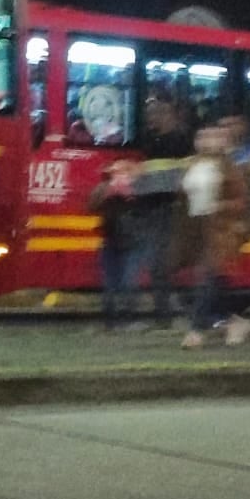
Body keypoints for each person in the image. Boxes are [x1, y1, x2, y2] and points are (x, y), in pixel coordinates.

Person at [180, 123, 250, 348]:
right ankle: (233, 322)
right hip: (197, 233)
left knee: (209, 281)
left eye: (213, 137)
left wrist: (219, 205)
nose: (206, 141)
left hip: (221, 233)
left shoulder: (230, 167)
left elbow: (242, 202)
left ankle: (196, 332)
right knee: (213, 285)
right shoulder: (193, 164)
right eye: (202, 136)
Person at [130, 95, 194, 325]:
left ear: (170, 115)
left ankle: (164, 315)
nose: (153, 117)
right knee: (155, 264)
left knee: (160, 264)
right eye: (151, 114)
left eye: (158, 113)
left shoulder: (181, 141)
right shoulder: (151, 140)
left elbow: (182, 178)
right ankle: (163, 312)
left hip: (168, 209)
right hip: (151, 209)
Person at [90, 160, 148, 331]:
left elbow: (145, 214)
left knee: (128, 282)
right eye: (114, 173)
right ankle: (110, 322)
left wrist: (130, 195)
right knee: (110, 283)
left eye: (122, 172)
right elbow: (92, 206)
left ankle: (128, 320)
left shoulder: (140, 191)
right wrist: (107, 191)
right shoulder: (105, 190)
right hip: (111, 243)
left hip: (133, 244)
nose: (118, 176)